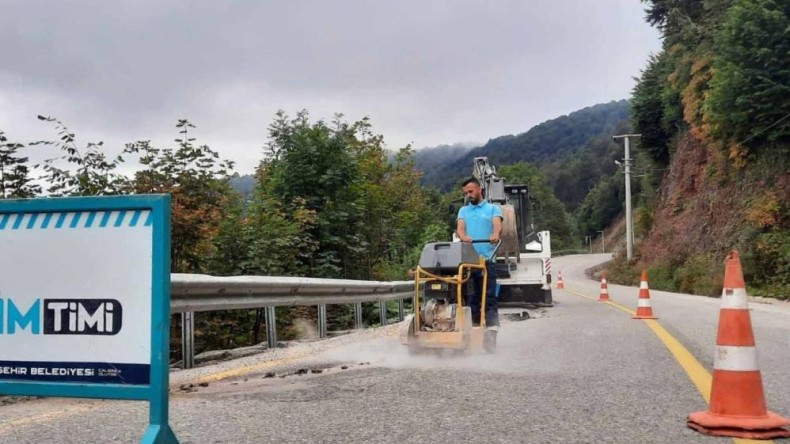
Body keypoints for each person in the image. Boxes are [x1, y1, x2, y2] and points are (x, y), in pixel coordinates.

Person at [455, 177, 502, 331]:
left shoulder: (493, 209)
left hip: (487, 259)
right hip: (469, 261)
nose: (468, 195)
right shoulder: (463, 210)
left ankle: (491, 329)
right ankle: (473, 329)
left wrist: (495, 235)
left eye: (470, 191)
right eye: (466, 193)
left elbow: (497, 224)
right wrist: (463, 237)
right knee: (471, 298)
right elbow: (460, 228)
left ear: (479, 189)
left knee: (488, 296)